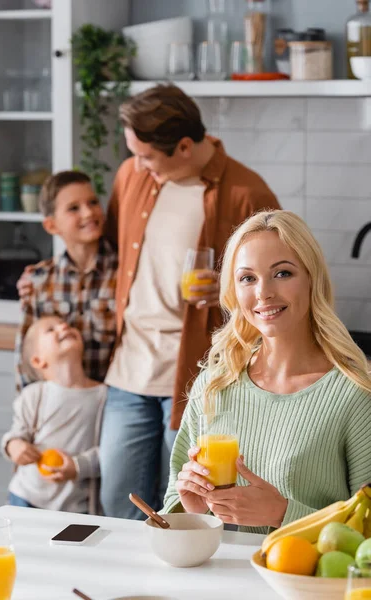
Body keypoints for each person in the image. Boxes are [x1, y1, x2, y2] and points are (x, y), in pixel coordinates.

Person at [100, 84, 280, 519]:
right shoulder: (132, 177)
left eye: (146, 156)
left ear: (183, 146)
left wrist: (224, 286)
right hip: (129, 371)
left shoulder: (247, 192)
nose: (137, 164)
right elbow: (109, 250)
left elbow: (276, 282)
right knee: (116, 503)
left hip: (198, 377)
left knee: (187, 510)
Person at [163, 210, 371, 533]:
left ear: (312, 278)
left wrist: (284, 513)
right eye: (248, 278)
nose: (263, 293)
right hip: (218, 580)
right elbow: (171, 510)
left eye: (283, 273)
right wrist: (194, 510)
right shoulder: (214, 385)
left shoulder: (353, 394)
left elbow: (366, 531)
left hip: (305, 581)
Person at [15, 170, 117, 391]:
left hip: (109, 402)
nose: (89, 213)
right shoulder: (39, 280)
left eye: (93, 202)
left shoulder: (124, 272)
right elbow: (26, 356)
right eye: (74, 208)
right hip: (59, 405)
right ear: (51, 226)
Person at [2, 316, 106, 514]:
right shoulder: (34, 395)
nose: (64, 326)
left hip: (75, 508)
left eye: (66, 324)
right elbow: (16, 434)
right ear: (38, 361)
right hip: (25, 497)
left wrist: (78, 466)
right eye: (51, 329)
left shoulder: (104, 396)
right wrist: (14, 446)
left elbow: (109, 452)